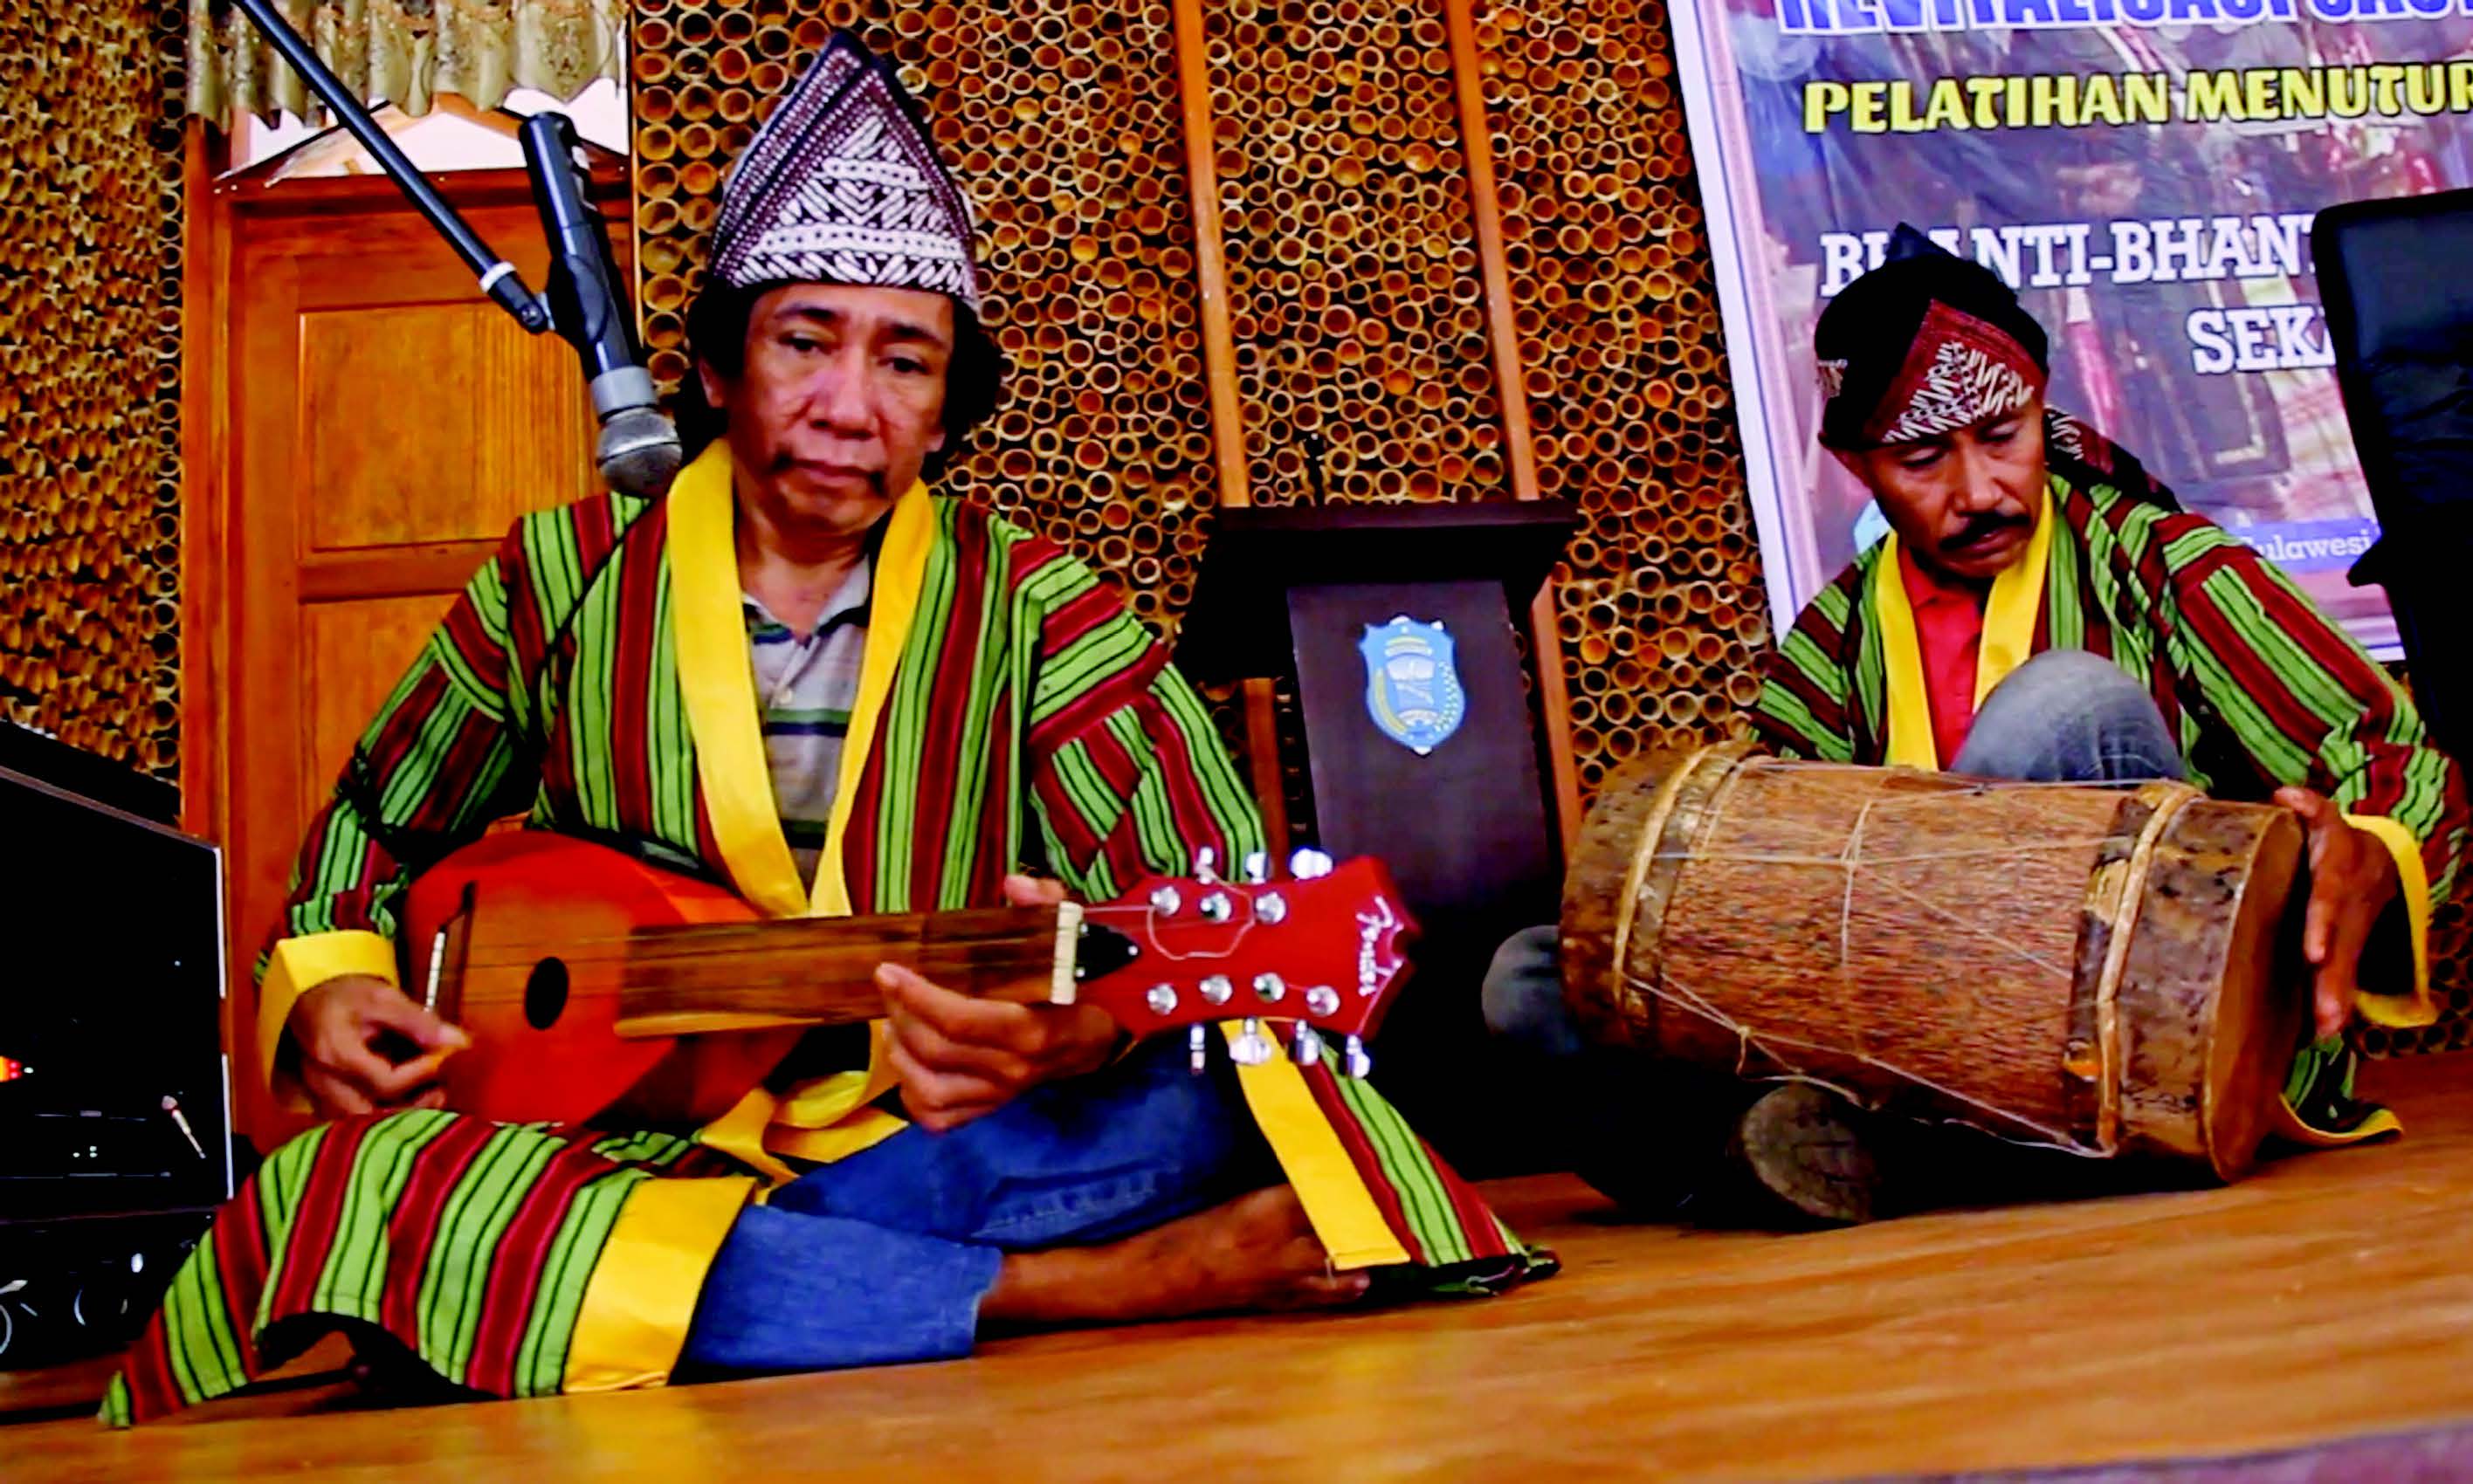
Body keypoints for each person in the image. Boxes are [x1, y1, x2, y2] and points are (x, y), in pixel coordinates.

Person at [106, 31, 1547, 1426]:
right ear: (722, 370)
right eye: (807, 340)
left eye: (906, 363)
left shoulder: (1046, 611)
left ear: (943, 413)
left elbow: (1215, 891)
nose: (852, 406)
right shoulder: (562, 581)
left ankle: (746, 1300)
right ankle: (1071, 1292)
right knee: (350, 1188)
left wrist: (1078, 1027)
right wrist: (337, 985)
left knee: (1244, 1106)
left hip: (936, 1145)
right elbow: (374, 816)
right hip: (612, 1145)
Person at [1486, 228, 2465, 1226]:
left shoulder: (2163, 563)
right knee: (1537, 973)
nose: (1980, 490)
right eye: (1922, 459)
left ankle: (1889, 1157)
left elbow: (2388, 752)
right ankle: (1937, 1150)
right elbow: (1771, 886)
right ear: (1857, 465)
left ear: (2043, 408)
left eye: (2005, 435)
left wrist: (2371, 850)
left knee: (2063, 703)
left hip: (2163, 1027)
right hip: (1903, 1030)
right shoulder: (1832, 639)